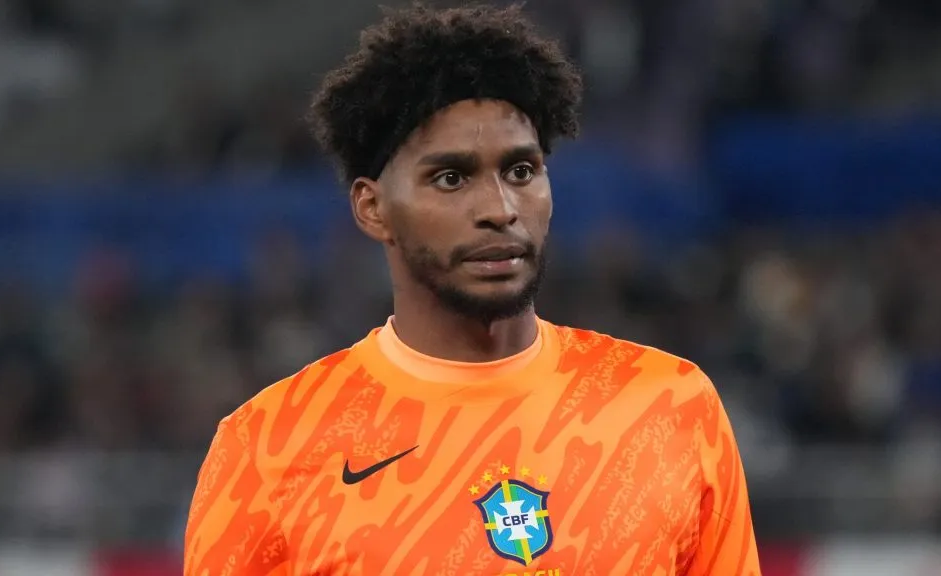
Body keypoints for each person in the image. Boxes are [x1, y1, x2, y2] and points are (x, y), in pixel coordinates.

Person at [183, 4, 762, 575]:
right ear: (373, 207)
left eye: (520, 171)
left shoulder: (672, 406)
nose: (499, 209)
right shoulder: (267, 447)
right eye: (451, 178)